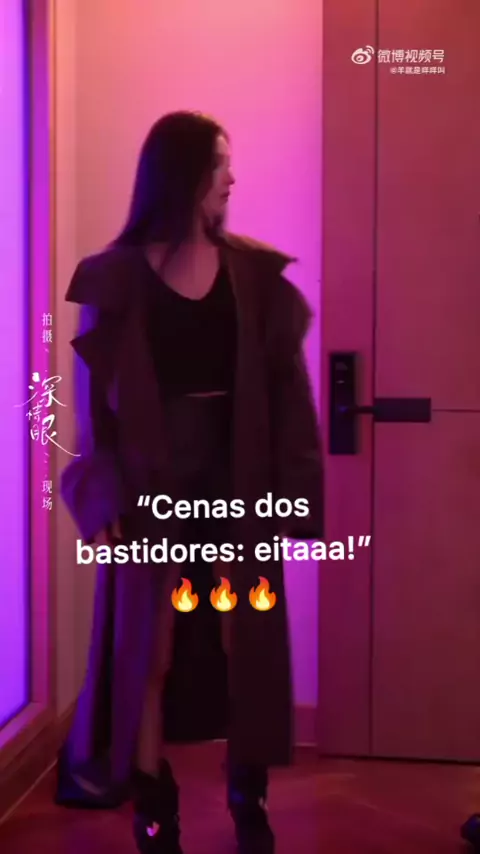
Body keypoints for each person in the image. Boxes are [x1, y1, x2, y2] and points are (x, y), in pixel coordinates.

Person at [56, 110, 324, 854]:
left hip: (238, 483)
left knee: (245, 644)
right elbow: (94, 414)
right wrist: (101, 496)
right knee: (151, 650)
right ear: (183, 175)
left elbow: (289, 395)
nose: (231, 178)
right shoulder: (114, 279)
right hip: (152, 488)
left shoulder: (255, 277)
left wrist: (295, 494)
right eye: (220, 163)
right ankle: (154, 810)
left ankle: (249, 799)